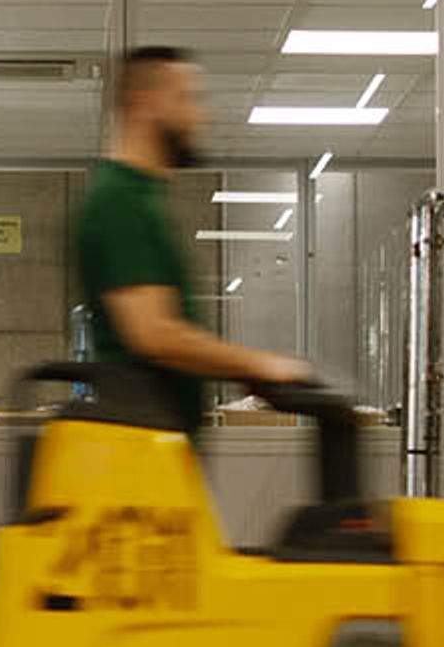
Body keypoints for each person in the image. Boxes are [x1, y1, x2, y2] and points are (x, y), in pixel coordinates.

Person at [79, 45, 313, 427]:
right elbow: (154, 335)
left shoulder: (140, 197)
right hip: (139, 456)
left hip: (160, 447)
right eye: (186, 99)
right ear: (146, 103)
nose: (201, 115)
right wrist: (260, 364)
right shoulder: (118, 200)